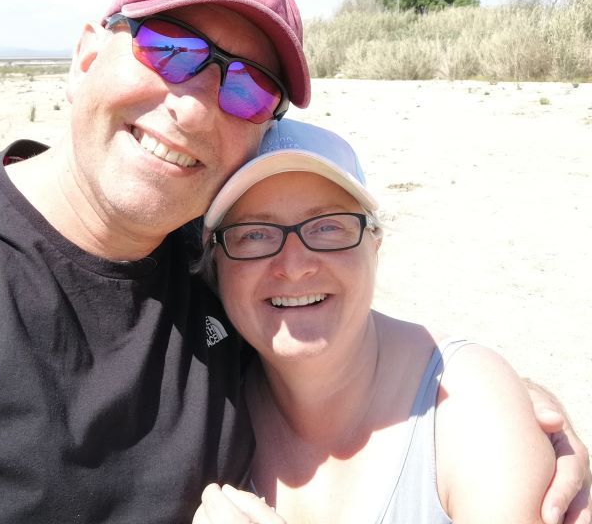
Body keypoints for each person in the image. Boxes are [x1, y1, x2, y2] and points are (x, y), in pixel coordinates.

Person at [0, 0, 588, 524]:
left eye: (248, 86)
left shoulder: (213, 277)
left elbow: (318, 300)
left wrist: (480, 397)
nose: (198, 103)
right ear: (84, 54)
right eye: (170, 49)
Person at [192, 118, 587, 524]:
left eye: (328, 226)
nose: (293, 266)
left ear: (375, 245)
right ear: (215, 264)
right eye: (254, 234)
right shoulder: (204, 401)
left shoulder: (468, 404)